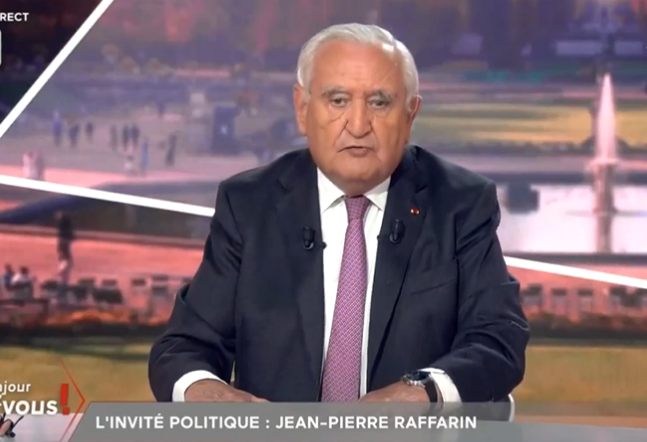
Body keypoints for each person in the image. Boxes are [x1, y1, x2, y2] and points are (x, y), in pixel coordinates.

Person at [148, 23, 528, 404]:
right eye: (338, 100)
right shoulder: (249, 205)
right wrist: (209, 395)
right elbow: (184, 348)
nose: (358, 126)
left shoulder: (460, 204)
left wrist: (422, 393)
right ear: (302, 109)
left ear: (410, 115)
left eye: (379, 102)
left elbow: (498, 339)